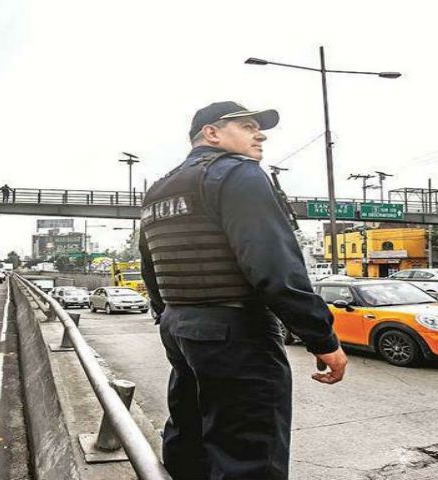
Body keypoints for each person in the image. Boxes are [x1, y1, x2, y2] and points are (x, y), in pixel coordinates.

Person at [139, 101, 348, 480]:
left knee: (190, 438)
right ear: (212, 133)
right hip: (237, 331)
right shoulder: (238, 174)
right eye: (249, 126)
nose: (260, 134)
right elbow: (274, 267)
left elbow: (149, 266)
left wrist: (169, 315)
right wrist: (322, 337)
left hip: (180, 327)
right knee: (250, 455)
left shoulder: (158, 189)